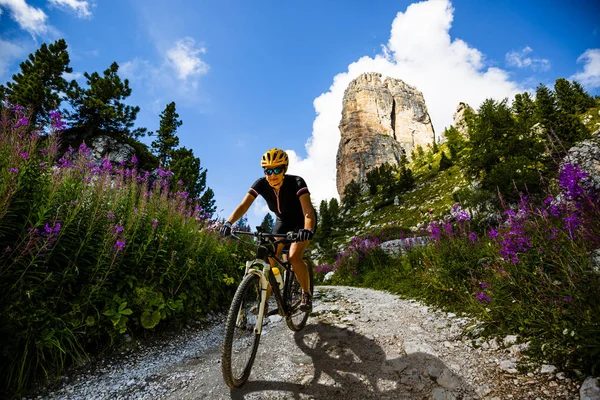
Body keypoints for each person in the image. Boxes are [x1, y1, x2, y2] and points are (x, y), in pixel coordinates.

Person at [219, 148, 317, 311]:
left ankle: (306, 294)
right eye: (268, 170)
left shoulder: (297, 182)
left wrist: (307, 230)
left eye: (277, 169)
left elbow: (308, 211)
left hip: (302, 222)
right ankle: (263, 302)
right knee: (269, 258)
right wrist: (228, 223)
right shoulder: (261, 184)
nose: (272, 174)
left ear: (284, 169)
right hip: (283, 222)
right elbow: (244, 205)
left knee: (293, 256)